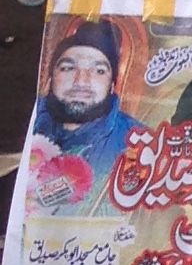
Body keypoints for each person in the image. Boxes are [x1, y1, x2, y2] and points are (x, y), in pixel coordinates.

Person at [25, 17, 135, 215]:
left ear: (112, 86)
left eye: (98, 70)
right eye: (68, 68)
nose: (81, 81)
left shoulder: (137, 142)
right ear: (50, 79)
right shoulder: (27, 124)